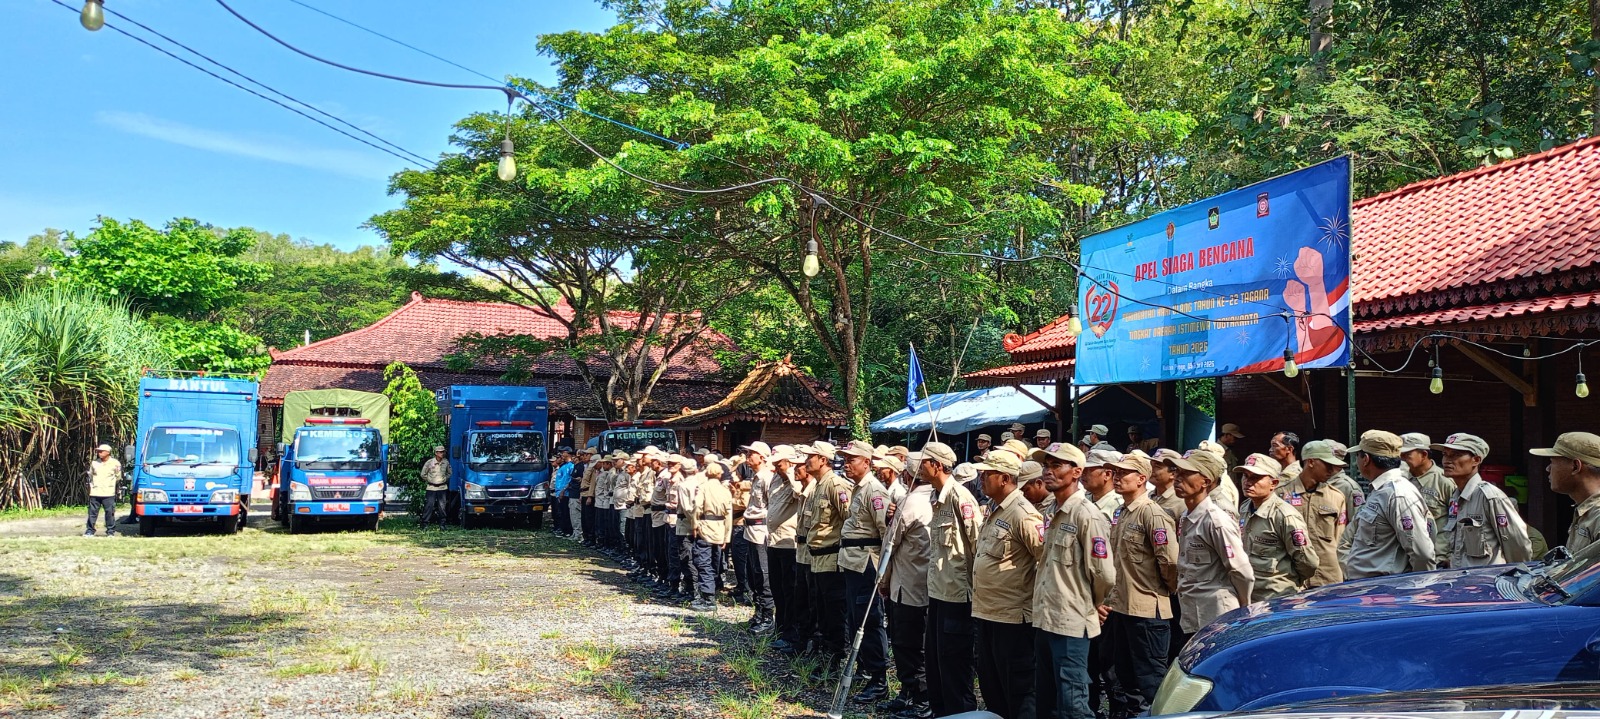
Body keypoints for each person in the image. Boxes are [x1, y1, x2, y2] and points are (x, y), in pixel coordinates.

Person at [1030, 442, 1113, 719]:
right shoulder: (1052, 511)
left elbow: (1103, 573)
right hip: (1046, 617)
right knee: (1047, 701)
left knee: (1073, 702)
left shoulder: (1086, 514)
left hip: (1071, 621)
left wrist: (1092, 603)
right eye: (1046, 465)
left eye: (1057, 465)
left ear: (1077, 472)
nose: (1048, 471)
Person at [1101, 450, 1178, 719]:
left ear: (1142, 478)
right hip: (1121, 607)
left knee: (1151, 681)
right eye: (1116, 472)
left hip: (1146, 610)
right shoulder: (1122, 512)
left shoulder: (1152, 513)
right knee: (1126, 677)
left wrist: (1164, 590)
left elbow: (1169, 561)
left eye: (1124, 473)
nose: (1117, 477)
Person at [971, 450, 1046, 719]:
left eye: (987, 474)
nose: (981, 478)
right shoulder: (996, 509)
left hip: (1013, 618)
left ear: (1004, 478)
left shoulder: (1023, 514)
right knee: (992, 686)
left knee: (1019, 689)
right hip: (988, 612)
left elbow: (1046, 559)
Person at [921, 441, 982, 717]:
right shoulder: (936, 496)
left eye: (924, 462)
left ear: (936, 465)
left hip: (957, 595)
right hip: (937, 591)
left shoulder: (960, 497)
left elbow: (977, 545)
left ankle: (961, 713)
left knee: (955, 664)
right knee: (935, 661)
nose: (919, 467)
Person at [1172, 450, 1252, 649]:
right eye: (1177, 471)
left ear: (1205, 482)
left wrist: (1243, 608)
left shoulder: (1215, 520)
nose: (1177, 478)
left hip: (1216, 616)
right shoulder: (1187, 516)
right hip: (1192, 613)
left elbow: (1241, 571)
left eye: (1186, 473)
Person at [835, 440, 892, 702]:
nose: (847, 464)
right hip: (852, 561)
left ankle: (879, 679)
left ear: (866, 462)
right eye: (846, 459)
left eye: (852, 459)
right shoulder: (858, 488)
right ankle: (866, 668)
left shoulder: (874, 491)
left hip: (866, 563)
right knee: (855, 618)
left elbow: (885, 532)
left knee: (869, 621)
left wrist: (882, 572)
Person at [879, 450, 933, 718]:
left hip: (907, 585)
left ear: (907, 475)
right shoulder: (933, 499)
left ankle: (920, 699)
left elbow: (890, 543)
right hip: (922, 583)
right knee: (911, 643)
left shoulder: (910, 502)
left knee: (907, 644)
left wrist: (883, 580)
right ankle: (909, 692)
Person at [1339, 430, 1436, 579]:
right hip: (1368, 586)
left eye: (1358, 455)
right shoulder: (1381, 490)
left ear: (1366, 459)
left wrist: (1421, 588)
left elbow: (1422, 553)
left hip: (1385, 588)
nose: (1356, 461)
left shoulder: (1397, 494)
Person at [1433, 433, 1532, 567]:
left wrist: (1517, 575)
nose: (1447, 460)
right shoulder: (1455, 497)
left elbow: (1517, 545)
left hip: (1488, 578)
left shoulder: (1490, 497)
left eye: (1455, 455)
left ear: (1476, 460)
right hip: (1460, 577)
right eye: (1445, 454)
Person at [1236, 454, 1317, 601]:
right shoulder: (1245, 508)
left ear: (1273, 483)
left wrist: (1290, 581)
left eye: (1255, 477)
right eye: (1245, 476)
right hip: (1250, 596)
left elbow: (1307, 562)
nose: (1247, 482)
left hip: (1277, 597)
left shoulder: (1284, 515)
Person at [797, 440, 850, 665]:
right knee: (820, 608)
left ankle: (836, 657)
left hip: (832, 558)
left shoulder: (836, 485)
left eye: (811, 457)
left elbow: (850, 519)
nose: (806, 460)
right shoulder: (819, 485)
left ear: (823, 460)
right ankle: (825, 651)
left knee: (834, 610)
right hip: (816, 558)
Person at [1275, 441, 1347, 587]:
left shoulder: (1336, 497)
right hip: (1291, 576)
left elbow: (1340, 538)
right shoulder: (1281, 494)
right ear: (1311, 462)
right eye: (1327, 465)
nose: (1332, 470)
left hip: (1327, 576)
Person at [1532, 432, 1600, 552]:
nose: (1548, 468)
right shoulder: (1586, 510)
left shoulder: (1597, 515)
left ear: (1575, 466)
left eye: (1552, 462)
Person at [1399, 433, 1453, 563]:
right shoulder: (1400, 480)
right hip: (1406, 556)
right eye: (1400, 455)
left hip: (1437, 556)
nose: (1402, 459)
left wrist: (1449, 556)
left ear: (1424, 455)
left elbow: (1456, 520)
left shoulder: (1444, 481)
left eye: (1407, 455)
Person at [741, 442, 776, 632]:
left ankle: (767, 616)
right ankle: (759, 611)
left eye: (751, 453)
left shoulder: (767, 478)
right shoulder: (757, 477)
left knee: (763, 574)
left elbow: (771, 507)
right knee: (753, 573)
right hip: (751, 530)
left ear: (762, 457)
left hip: (761, 530)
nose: (748, 456)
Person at [690, 463, 733, 611]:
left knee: (703, 562)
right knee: (715, 561)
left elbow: (697, 507)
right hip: (720, 528)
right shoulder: (725, 490)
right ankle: (712, 589)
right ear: (720, 474)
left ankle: (708, 598)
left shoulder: (703, 487)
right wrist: (727, 536)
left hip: (705, 526)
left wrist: (694, 525)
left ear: (707, 473)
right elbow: (729, 514)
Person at [86, 444, 121, 537]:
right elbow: (91, 475)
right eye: (98, 451)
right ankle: (90, 531)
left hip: (108, 492)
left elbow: (118, 476)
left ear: (108, 452)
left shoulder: (115, 463)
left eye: (101, 451)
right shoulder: (94, 463)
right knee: (92, 513)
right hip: (95, 491)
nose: (99, 453)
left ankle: (110, 531)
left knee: (110, 513)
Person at [1081, 450, 1124, 520]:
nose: (1082, 473)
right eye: (1083, 469)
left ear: (1107, 474)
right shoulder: (1082, 499)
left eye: (1089, 470)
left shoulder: (1119, 505)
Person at [1148, 450, 1186, 523]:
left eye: (1157, 467)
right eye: (1151, 465)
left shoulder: (1181, 501)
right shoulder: (1148, 496)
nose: (1151, 470)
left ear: (1173, 474)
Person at [419, 445, 451, 529]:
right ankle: (424, 524)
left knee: (442, 507)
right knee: (429, 506)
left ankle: (442, 524)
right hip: (431, 487)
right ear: (436, 453)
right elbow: (423, 474)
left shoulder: (446, 462)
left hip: (442, 487)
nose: (442, 453)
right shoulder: (430, 462)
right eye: (440, 452)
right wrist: (430, 480)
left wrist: (444, 479)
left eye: (443, 452)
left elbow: (449, 473)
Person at [579, 449, 599, 546]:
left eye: (587, 454)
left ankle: (591, 538)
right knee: (584, 518)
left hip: (588, 494)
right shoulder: (587, 466)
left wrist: (590, 496)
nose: (585, 456)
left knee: (589, 518)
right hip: (583, 493)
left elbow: (592, 482)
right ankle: (586, 536)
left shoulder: (592, 468)